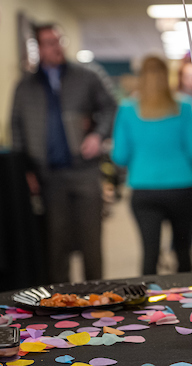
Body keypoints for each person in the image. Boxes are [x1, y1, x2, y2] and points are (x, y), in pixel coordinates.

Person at [10, 24, 117, 283]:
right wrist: (24, 172)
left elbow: (110, 107)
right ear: (38, 48)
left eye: (59, 40)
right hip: (48, 175)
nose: (56, 47)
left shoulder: (86, 76)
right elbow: (16, 129)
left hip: (85, 170)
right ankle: (61, 301)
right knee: (57, 243)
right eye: (49, 42)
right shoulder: (25, 87)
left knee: (91, 240)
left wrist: (98, 135)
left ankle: (98, 296)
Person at [111, 56, 192, 275]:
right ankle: (187, 306)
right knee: (184, 255)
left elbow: (120, 157)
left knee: (149, 254)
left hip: (144, 191)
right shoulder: (183, 105)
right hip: (183, 189)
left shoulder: (126, 109)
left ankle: (147, 307)